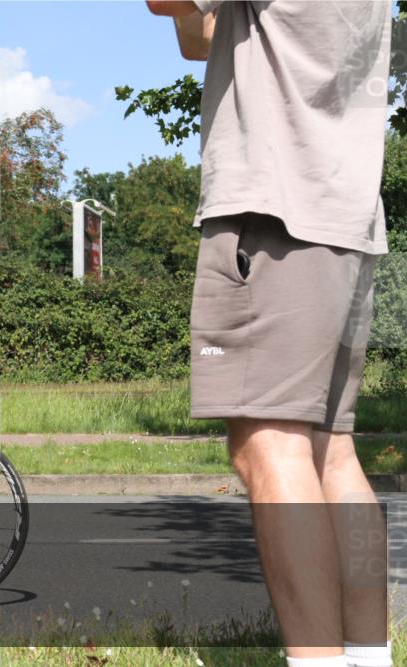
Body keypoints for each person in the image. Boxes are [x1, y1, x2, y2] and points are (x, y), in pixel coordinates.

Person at [146, 2, 392, 666]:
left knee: (269, 446)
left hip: (276, 211)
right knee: (331, 452)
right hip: (346, 217)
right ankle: (367, 657)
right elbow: (200, 39)